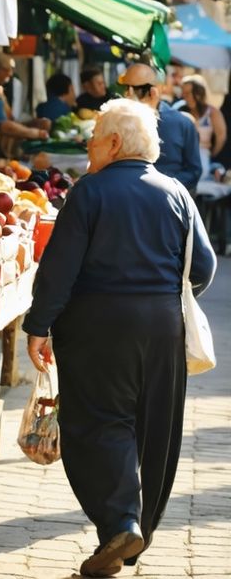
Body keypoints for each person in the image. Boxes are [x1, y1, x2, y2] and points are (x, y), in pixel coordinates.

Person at [24, 99, 216, 578]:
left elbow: (59, 269)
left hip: (96, 327)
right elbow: (205, 267)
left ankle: (120, 522)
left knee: (96, 424)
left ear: (113, 143)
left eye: (93, 137)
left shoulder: (88, 193)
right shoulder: (176, 192)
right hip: (161, 326)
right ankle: (133, 532)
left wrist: (38, 325)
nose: (88, 145)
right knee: (152, 430)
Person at [118, 63, 202, 192]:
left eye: (136, 90)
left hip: (167, 200)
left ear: (154, 90)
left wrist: (164, 187)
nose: (128, 94)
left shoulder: (182, 123)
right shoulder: (116, 121)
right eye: (124, 88)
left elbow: (194, 171)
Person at [178, 74, 227, 180]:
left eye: (187, 93)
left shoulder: (212, 113)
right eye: (183, 93)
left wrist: (212, 155)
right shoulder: (180, 110)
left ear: (199, 93)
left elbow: (221, 136)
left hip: (203, 154)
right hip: (182, 155)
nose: (184, 96)